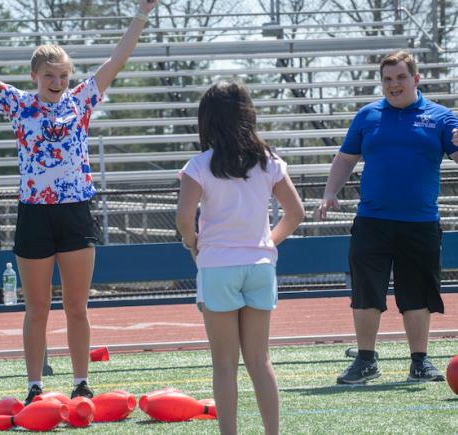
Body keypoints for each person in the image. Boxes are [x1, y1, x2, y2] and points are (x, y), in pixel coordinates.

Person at [0, 0, 159, 403]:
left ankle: (81, 381)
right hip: (34, 213)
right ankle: (35, 385)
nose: (57, 82)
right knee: (36, 307)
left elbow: (117, 59)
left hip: (75, 212)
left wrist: (141, 13)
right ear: (35, 76)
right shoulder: (19, 104)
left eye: (63, 75)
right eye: (49, 75)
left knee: (76, 306)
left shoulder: (81, 100)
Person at [315, 50, 458, 385]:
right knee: (366, 292)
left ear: (416, 79)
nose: (394, 85)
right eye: (388, 79)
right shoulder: (367, 116)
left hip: (420, 223)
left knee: (418, 294)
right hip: (372, 221)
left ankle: (419, 362)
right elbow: (345, 159)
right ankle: (366, 361)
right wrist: (329, 192)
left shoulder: (441, 117)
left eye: (401, 77)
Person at [176, 81, 304, 435]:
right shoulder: (269, 161)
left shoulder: (198, 165)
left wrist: (193, 243)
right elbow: (295, 213)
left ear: (208, 120)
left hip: (218, 267)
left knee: (224, 365)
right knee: (260, 362)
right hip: (260, 267)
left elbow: (184, 219)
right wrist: (268, 242)